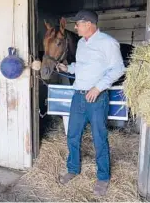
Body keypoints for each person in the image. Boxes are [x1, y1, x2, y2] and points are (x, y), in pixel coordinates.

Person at [56, 10, 125, 196]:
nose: (76, 27)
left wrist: (98, 87)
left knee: (99, 138)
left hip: (97, 98)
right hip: (78, 96)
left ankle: (103, 177)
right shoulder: (81, 43)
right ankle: (73, 169)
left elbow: (118, 69)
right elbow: (82, 67)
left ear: (88, 24)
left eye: (77, 24)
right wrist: (67, 67)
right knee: (72, 135)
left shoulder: (108, 43)